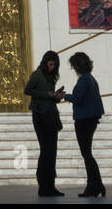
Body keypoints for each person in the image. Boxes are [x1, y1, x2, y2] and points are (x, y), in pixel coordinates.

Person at [63, 52, 106, 197]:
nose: (73, 69)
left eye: (74, 66)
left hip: (84, 120)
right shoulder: (91, 79)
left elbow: (78, 99)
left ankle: (94, 185)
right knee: (87, 153)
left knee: (86, 154)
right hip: (90, 119)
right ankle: (96, 184)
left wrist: (64, 96)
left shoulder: (83, 80)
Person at [24, 50, 65, 197]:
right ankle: (43, 185)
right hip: (40, 115)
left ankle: (51, 185)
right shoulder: (37, 74)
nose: (52, 67)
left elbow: (50, 96)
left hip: (51, 115)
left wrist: (56, 96)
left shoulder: (52, 77)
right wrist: (47, 94)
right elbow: (27, 90)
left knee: (52, 151)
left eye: (54, 65)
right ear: (45, 62)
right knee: (45, 150)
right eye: (50, 64)